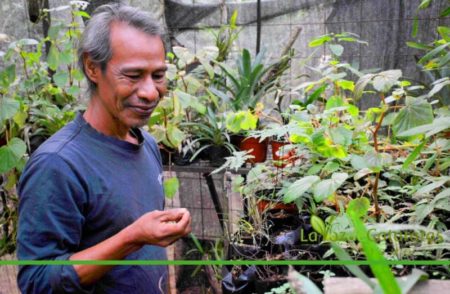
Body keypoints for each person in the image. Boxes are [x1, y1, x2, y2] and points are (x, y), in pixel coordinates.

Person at [16, 4, 191, 293]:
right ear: (92, 67)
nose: (150, 92)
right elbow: (37, 281)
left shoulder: (144, 143)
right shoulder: (58, 164)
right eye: (133, 76)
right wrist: (132, 238)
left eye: (158, 75)